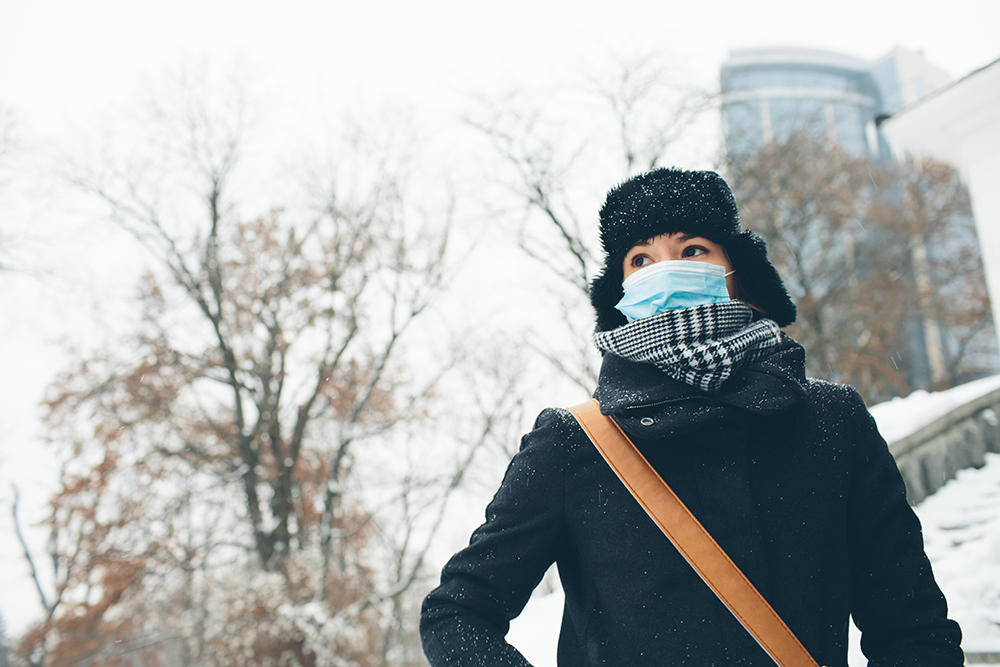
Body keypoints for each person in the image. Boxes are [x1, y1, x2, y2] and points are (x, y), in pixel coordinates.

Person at [420, 168, 963, 666]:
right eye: (641, 260)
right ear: (624, 293)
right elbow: (458, 613)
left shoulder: (830, 421)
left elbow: (911, 627)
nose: (669, 271)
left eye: (694, 248)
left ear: (736, 274)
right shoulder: (574, 443)